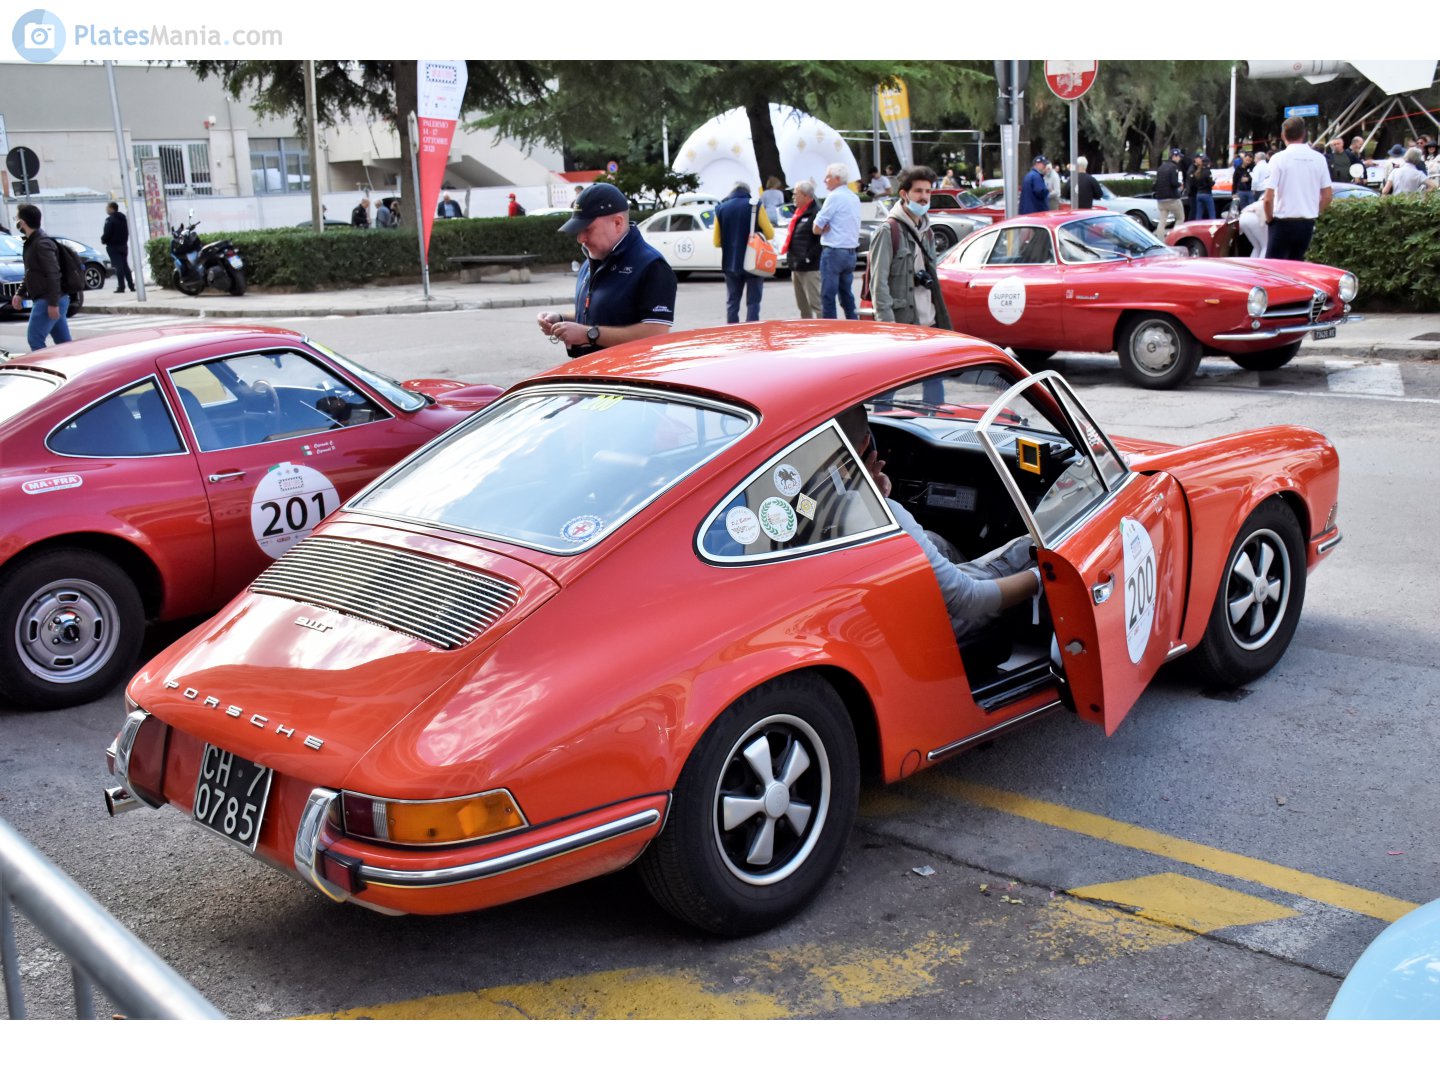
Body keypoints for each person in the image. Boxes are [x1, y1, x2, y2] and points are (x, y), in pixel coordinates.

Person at [837, 406, 1041, 643]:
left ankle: (953, 580)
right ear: (865, 444)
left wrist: (864, 492)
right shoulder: (885, 514)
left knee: (933, 541)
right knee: (1031, 545)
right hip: (905, 634)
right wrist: (1040, 577)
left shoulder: (814, 500)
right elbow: (967, 600)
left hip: (854, 615)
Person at [536, 182, 677, 358]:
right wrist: (562, 319)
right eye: (578, 230)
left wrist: (589, 334)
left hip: (625, 373)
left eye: (587, 229)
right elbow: (601, 314)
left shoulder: (651, 266)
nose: (580, 238)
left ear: (617, 223)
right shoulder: (592, 260)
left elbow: (656, 333)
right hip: (590, 369)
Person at [867, 166, 952, 330]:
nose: (924, 197)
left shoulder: (928, 232)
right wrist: (889, 327)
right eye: (918, 191)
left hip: (931, 321)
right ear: (903, 194)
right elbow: (878, 286)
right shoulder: (888, 231)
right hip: (905, 326)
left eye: (928, 191)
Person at [1263, 116, 1333, 261]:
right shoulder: (1319, 159)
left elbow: (1268, 198)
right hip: (1306, 222)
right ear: (1304, 133)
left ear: (1283, 135)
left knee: (1273, 267)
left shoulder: (1278, 158)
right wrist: (1314, 212)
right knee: (1297, 265)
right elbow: (1327, 196)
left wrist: (1269, 220)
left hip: (1282, 222)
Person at [11, 203, 74, 351]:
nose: (16, 221)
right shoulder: (33, 242)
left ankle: (44, 365)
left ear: (22, 222)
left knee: (35, 338)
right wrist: (20, 293)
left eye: (17, 218)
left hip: (48, 299)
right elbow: (31, 272)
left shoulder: (41, 243)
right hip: (54, 298)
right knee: (64, 343)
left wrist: (53, 303)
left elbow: (53, 274)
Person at [712, 180, 774, 323]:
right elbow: (769, 234)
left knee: (732, 302)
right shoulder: (756, 206)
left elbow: (716, 241)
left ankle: (732, 331)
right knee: (753, 302)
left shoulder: (720, 208)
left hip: (730, 263)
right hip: (754, 262)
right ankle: (752, 331)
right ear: (748, 192)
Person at [812, 162, 862, 319]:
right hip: (850, 252)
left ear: (837, 179)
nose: (824, 180)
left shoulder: (834, 197)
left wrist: (822, 228)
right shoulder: (854, 197)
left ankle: (831, 328)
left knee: (828, 295)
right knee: (846, 295)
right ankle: (853, 325)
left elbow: (816, 227)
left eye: (828, 177)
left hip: (834, 251)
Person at [783, 180, 822, 318]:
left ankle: (823, 328)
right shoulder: (798, 213)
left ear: (806, 195)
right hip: (796, 265)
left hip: (810, 267)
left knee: (816, 304)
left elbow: (821, 241)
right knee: (802, 306)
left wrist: (808, 257)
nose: (793, 197)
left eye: (796, 194)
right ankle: (806, 329)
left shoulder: (815, 213)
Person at [100, 201, 135, 293]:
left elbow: (107, 233)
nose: (106, 209)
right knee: (125, 266)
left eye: (107, 207)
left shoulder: (110, 220)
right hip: (123, 245)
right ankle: (131, 286)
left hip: (113, 246)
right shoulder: (123, 219)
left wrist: (103, 240)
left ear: (112, 209)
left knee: (118, 267)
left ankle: (121, 286)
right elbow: (126, 232)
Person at [1153, 147, 1186, 240]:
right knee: (1180, 218)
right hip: (1172, 198)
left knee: (1162, 221)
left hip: (1160, 199)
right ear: (1174, 156)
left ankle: (1159, 239)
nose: (1180, 158)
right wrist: (1180, 185)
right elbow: (1173, 183)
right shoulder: (1173, 167)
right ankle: (1174, 238)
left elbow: (1156, 183)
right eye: (1178, 156)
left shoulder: (1161, 167)